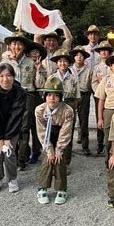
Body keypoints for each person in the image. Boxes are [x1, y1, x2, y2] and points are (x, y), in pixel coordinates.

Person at [0, 31, 42, 171]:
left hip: (27, 95)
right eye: (13, 43)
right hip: (9, 96)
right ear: (10, 46)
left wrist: (39, 70)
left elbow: (38, 84)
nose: (16, 46)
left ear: (24, 46)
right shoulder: (5, 62)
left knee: (24, 128)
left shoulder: (31, 62)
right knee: (11, 127)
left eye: (19, 44)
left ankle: (22, 159)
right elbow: (0, 80)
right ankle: (12, 155)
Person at [0, 64, 26, 193]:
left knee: (9, 153)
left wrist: (8, 137)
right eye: (1, 76)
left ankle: (12, 178)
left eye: (8, 75)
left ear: (14, 77)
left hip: (12, 128)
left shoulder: (20, 92)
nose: (5, 79)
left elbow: (16, 115)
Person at [35, 76, 75, 205]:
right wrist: (49, 150)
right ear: (45, 96)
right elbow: (41, 132)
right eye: (49, 95)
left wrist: (59, 150)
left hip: (61, 135)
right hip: (47, 135)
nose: (52, 98)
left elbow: (66, 132)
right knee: (48, 159)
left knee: (59, 159)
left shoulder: (68, 111)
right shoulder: (39, 110)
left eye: (56, 96)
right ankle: (42, 187)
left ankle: (61, 188)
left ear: (61, 98)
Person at [49, 49, 80, 174]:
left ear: (68, 63)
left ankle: (66, 162)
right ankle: (53, 160)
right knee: (53, 133)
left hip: (69, 104)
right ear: (57, 63)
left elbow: (77, 96)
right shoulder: (52, 77)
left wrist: (74, 108)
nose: (62, 63)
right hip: (55, 107)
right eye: (60, 61)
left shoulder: (73, 78)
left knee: (67, 135)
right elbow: (46, 95)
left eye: (65, 61)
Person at [25, 41, 48, 165]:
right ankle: (24, 151)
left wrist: (39, 70)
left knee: (36, 126)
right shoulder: (23, 65)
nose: (35, 54)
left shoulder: (43, 69)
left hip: (37, 97)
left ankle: (36, 151)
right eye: (32, 52)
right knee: (24, 126)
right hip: (25, 96)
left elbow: (41, 85)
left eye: (37, 52)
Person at [91, 40, 114, 154]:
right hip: (100, 96)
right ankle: (100, 143)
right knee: (99, 119)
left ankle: (112, 143)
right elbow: (94, 82)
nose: (104, 53)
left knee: (112, 119)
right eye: (102, 51)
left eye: (106, 51)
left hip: (112, 96)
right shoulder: (96, 68)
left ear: (109, 53)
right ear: (99, 53)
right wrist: (100, 92)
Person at [70, 45, 93, 155]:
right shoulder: (69, 69)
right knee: (70, 120)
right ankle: (68, 146)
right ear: (74, 57)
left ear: (84, 58)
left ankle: (85, 145)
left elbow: (91, 84)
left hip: (84, 95)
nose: (79, 57)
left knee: (84, 120)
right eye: (77, 55)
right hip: (72, 96)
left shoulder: (89, 70)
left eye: (81, 55)